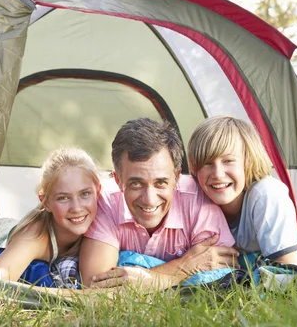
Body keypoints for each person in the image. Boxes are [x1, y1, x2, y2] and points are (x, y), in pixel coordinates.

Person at [80, 118, 237, 289]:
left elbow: (222, 277)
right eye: (136, 184)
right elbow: (96, 287)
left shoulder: (197, 200)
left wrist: (147, 279)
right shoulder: (106, 202)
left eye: (160, 183)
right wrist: (184, 266)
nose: (149, 199)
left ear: (176, 177)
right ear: (118, 181)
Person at [187, 116, 297, 265]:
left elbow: (289, 269)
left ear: (248, 161)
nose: (218, 174)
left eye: (228, 161)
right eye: (207, 163)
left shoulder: (267, 194)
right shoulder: (193, 198)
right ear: (195, 169)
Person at [0, 147, 102, 287]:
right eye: (63, 198)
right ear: (45, 202)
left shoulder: (105, 217)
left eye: (84, 194)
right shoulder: (34, 238)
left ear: (98, 191)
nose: (77, 208)